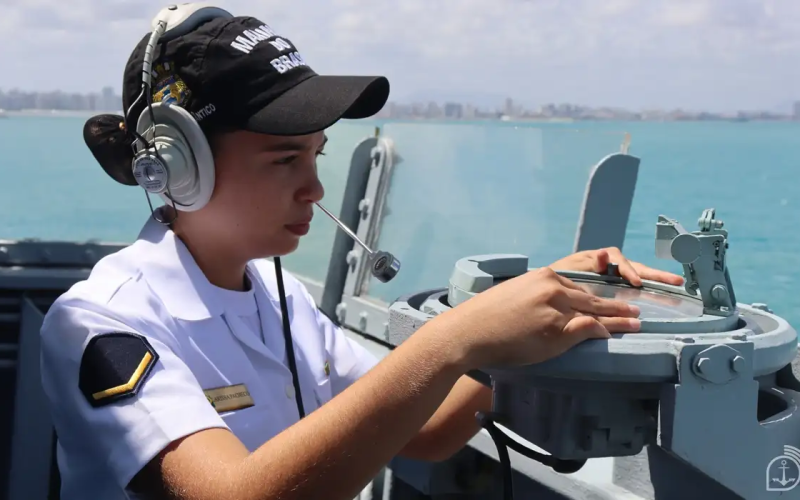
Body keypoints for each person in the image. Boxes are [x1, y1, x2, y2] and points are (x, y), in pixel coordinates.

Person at [39, 9, 684, 500]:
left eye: (316, 155)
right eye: (284, 160)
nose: (314, 189)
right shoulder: (103, 323)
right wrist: (457, 338)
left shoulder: (279, 299)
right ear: (179, 165)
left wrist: (537, 321)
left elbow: (423, 429)